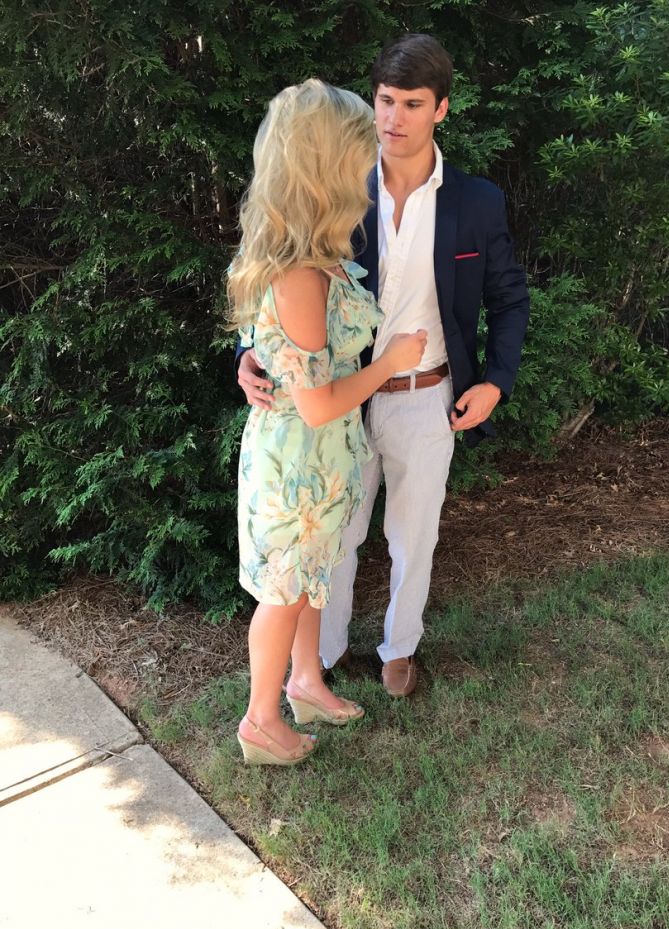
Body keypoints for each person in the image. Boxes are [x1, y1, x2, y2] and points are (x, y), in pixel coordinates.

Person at [238, 36, 529, 699]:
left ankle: (400, 648)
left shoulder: (477, 202)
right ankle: (323, 658)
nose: (393, 118)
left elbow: (510, 298)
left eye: (412, 104)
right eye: (385, 101)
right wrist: (250, 349)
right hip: (341, 397)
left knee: (413, 536)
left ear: (442, 109)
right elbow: (278, 266)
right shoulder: (340, 187)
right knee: (333, 537)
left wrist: (495, 381)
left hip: (428, 395)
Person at [228, 79, 427, 765]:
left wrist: (254, 356)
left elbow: (285, 353)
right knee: (285, 593)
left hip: (321, 456)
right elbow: (314, 401)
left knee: (311, 577)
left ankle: (306, 682)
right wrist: (390, 363)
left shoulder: (316, 253)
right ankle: (261, 720)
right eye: (357, 153)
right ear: (325, 167)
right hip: (299, 459)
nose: (368, 166)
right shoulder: (300, 274)